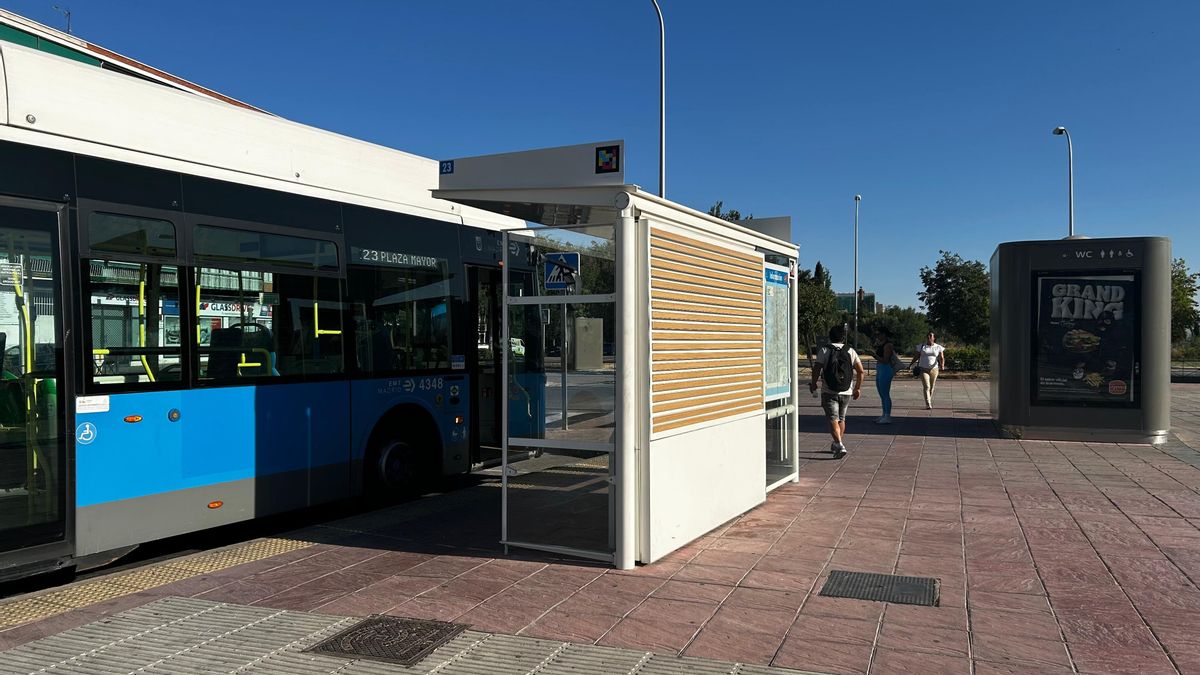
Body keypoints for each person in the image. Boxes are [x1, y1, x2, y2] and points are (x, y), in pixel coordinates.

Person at [809, 324, 865, 459]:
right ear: (843, 337)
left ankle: (839, 444)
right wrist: (857, 388)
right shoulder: (850, 350)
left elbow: (817, 368)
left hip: (829, 390)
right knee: (841, 418)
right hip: (846, 391)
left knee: (832, 419)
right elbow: (861, 371)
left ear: (830, 337)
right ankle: (837, 443)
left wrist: (814, 383)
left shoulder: (824, 350)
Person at [908, 331, 946, 409]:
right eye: (928, 336)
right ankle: (928, 403)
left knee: (932, 387)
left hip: (934, 369)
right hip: (923, 369)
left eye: (930, 336)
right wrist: (911, 364)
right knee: (927, 386)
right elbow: (916, 356)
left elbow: (941, 357)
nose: (929, 337)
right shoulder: (922, 346)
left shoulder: (938, 347)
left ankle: (929, 400)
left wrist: (942, 365)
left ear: (934, 338)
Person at [873, 327, 899, 424]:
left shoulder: (888, 345)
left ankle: (887, 416)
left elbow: (885, 360)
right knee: (881, 393)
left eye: (879, 334)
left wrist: (874, 355)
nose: (877, 336)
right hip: (880, 369)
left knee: (885, 393)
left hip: (886, 369)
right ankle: (884, 414)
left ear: (884, 335)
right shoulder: (881, 344)